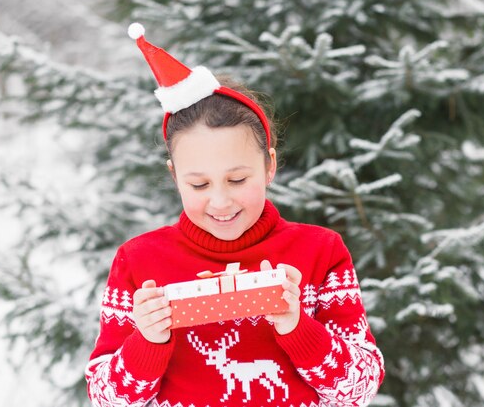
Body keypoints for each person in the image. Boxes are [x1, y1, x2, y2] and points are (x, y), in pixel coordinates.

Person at [85, 23, 384, 407]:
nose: (221, 202)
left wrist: (298, 328)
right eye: (199, 185)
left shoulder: (319, 252)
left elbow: (359, 389)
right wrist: (147, 342)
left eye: (238, 179)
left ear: (269, 166)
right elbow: (107, 400)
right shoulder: (139, 262)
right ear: (175, 177)